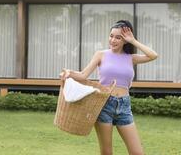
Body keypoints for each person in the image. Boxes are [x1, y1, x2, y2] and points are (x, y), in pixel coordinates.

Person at [60, 20, 158, 155]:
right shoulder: (101, 54)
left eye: (118, 37)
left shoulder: (131, 58)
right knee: (106, 152)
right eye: (111, 36)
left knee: (137, 152)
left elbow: (153, 55)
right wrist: (69, 73)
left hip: (124, 106)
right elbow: (83, 75)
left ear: (125, 40)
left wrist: (133, 40)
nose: (113, 40)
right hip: (104, 104)